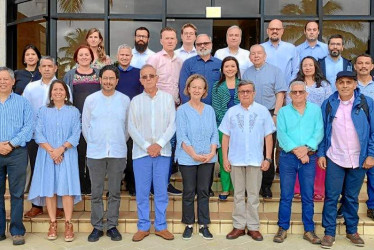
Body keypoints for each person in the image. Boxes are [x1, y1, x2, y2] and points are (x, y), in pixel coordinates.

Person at [318, 71, 374, 248]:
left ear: (355, 85)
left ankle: (352, 230)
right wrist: (321, 154)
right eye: (341, 82)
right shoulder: (328, 104)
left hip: (359, 158)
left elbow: (373, 131)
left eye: (349, 82)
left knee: (351, 197)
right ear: (336, 85)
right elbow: (322, 131)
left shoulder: (366, 103)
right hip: (335, 157)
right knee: (331, 197)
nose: (344, 86)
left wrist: (371, 154)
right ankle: (328, 233)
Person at [220, 80, 275, 241]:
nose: (245, 94)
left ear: (254, 93)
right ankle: (238, 226)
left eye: (248, 91)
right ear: (238, 94)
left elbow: (268, 136)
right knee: (237, 195)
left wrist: (268, 158)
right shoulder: (231, 112)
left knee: (253, 195)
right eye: (242, 91)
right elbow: (225, 137)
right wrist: (225, 158)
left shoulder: (263, 111)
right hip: (236, 159)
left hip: (255, 160)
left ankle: (253, 227)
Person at [27, 80, 81, 242]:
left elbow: (76, 133)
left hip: (67, 154)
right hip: (47, 154)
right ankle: (52, 223)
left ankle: (68, 223)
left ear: (66, 93)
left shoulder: (73, 111)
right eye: (55, 89)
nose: (58, 92)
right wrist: (52, 151)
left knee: (66, 189)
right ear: (50, 94)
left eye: (61, 90)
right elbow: (38, 133)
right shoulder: (42, 111)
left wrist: (60, 149)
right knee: (50, 188)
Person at [82, 65, 130, 242]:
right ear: (100, 80)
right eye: (105, 78)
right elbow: (86, 126)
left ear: (117, 81)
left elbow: (127, 128)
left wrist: (117, 141)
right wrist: (95, 142)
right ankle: (96, 226)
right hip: (95, 152)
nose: (108, 81)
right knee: (96, 192)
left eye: (112, 78)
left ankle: (111, 225)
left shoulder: (125, 100)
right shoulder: (91, 100)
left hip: (117, 151)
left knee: (115, 192)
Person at [129, 64, 175, 242]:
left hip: (163, 153)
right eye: (144, 77)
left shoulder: (168, 99)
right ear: (140, 80)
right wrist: (148, 146)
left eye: (151, 76)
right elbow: (131, 128)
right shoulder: (135, 101)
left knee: (161, 190)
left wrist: (160, 144)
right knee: (141, 191)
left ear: (157, 78)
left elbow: (172, 124)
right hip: (141, 154)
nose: (148, 79)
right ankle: (143, 226)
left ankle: (161, 226)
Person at [274, 81, 324, 244]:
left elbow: (319, 131)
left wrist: (306, 149)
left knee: (308, 196)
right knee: (286, 195)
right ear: (289, 95)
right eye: (294, 92)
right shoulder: (283, 112)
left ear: (306, 94)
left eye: (300, 92)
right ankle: (282, 228)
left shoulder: (316, 110)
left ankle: (309, 230)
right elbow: (282, 135)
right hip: (288, 158)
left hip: (309, 158)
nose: (297, 95)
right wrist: (298, 151)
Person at [176, 74, 219, 240]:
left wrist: (212, 152)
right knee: (188, 191)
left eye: (200, 87)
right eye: (193, 87)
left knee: (203, 191)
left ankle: (203, 225)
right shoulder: (182, 110)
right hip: (188, 158)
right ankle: (188, 224)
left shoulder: (209, 110)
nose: (196, 90)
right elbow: (182, 136)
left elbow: (214, 133)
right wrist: (193, 154)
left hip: (207, 158)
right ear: (188, 89)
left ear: (204, 91)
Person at [242, 44, 287, 199]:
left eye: (259, 53)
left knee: (268, 150)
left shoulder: (276, 71)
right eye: (253, 53)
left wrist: (276, 114)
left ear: (265, 55)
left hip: (270, 113)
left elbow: (280, 94)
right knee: (252, 149)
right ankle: (252, 185)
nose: (256, 56)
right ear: (249, 57)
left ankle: (266, 185)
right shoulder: (247, 73)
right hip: (251, 113)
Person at [287, 56, 332, 201]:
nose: (307, 67)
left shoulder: (324, 85)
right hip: (299, 124)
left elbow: (330, 103)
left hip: (319, 124)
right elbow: (289, 103)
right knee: (300, 153)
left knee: (318, 155)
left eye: (310, 65)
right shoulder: (295, 84)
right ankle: (298, 188)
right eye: (304, 65)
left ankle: (318, 190)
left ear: (315, 67)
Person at [23, 56, 63, 219]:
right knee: (37, 170)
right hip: (35, 138)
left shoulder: (62, 86)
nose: (47, 69)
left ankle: (59, 206)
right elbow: (25, 111)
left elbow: (68, 111)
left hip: (58, 139)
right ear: (39, 69)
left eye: (50, 66)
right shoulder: (31, 88)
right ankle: (37, 205)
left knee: (59, 172)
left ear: (55, 68)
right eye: (44, 66)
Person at [147, 27, 183, 195]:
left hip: (175, 108)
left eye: (172, 38)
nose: (170, 41)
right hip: (158, 108)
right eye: (166, 38)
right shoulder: (154, 59)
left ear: (176, 41)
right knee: (158, 144)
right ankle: (154, 184)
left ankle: (165, 182)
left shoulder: (180, 60)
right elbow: (147, 82)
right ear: (161, 41)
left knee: (171, 145)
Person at [0, 67, 34, 245]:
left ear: (13, 82)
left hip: (17, 152)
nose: (3, 82)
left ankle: (17, 230)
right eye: (0, 79)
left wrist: (11, 144)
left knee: (17, 193)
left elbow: (28, 126)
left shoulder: (23, 103)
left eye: (6, 79)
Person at [64, 45, 101, 195]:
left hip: (96, 121)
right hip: (76, 121)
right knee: (78, 154)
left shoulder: (99, 74)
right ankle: (80, 184)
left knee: (93, 154)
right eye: (81, 55)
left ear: (92, 57)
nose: (84, 57)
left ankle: (93, 184)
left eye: (87, 54)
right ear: (76, 58)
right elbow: (65, 97)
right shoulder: (69, 75)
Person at [116, 44, 143, 196]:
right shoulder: (112, 73)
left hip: (134, 118)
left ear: (131, 57)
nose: (125, 57)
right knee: (118, 153)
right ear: (117, 56)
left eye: (127, 55)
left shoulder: (138, 74)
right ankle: (116, 184)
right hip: (116, 120)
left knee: (132, 154)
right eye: (122, 55)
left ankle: (132, 184)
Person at [212, 56, 240, 201]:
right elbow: (217, 108)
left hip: (241, 128)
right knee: (224, 158)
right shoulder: (217, 86)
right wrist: (229, 123)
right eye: (227, 66)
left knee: (238, 158)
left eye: (232, 66)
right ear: (222, 69)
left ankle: (237, 188)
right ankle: (225, 188)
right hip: (222, 127)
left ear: (237, 69)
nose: (230, 69)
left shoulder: (242, 84)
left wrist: (236, 123)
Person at [354, 54, 374, 221]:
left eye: (367, 63)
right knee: (351, 173)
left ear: (372, 66)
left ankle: (372, 206)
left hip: (373, 132)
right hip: (354, 136)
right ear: (355, 67)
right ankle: (345, 205)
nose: (363, 66)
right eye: (360, 63)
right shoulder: (350, 86)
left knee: (373, 173)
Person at [179, 34, 222, 105]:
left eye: (206, 43)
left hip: (215, 108)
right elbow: (183, 87)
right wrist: (188, 107)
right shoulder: (188, 63)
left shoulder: (220, 63)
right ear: (195, 46)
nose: (202, 46)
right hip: (193, 107)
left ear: (211, 44)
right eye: (199, 44)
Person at [261, 19, 299, 84]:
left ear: (282, 31)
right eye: (272, 29)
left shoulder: (291, 48)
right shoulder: (260, 48)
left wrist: (290, 86)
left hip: (286, 90)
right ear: (267, 31)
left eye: (277, 29)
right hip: (265, 90)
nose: (274, 31)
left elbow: (296, 70)